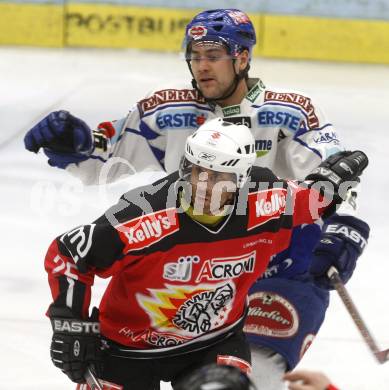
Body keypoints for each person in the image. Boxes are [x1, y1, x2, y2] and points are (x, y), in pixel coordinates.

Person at [24, 9, 370, 389]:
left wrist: (342, 231)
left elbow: (334, 178)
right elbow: (104, 158)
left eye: (213, 55)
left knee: (251, 380)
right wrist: (77, 143)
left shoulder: (291, 112)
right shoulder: (166, 111)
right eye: (195, 55)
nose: (202, 66)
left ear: (242, 58)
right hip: (192, 266)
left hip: (277, 265)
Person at [45, 118, 366, 390]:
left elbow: (314, 200)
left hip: (213, 342)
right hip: (126, 348)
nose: (204, 185)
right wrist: (70, 324)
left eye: (219, 176)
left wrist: (334, 186)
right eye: (198, 171)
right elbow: (69, 254)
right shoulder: (146, 215)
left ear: (241, 180)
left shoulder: (265, 202)